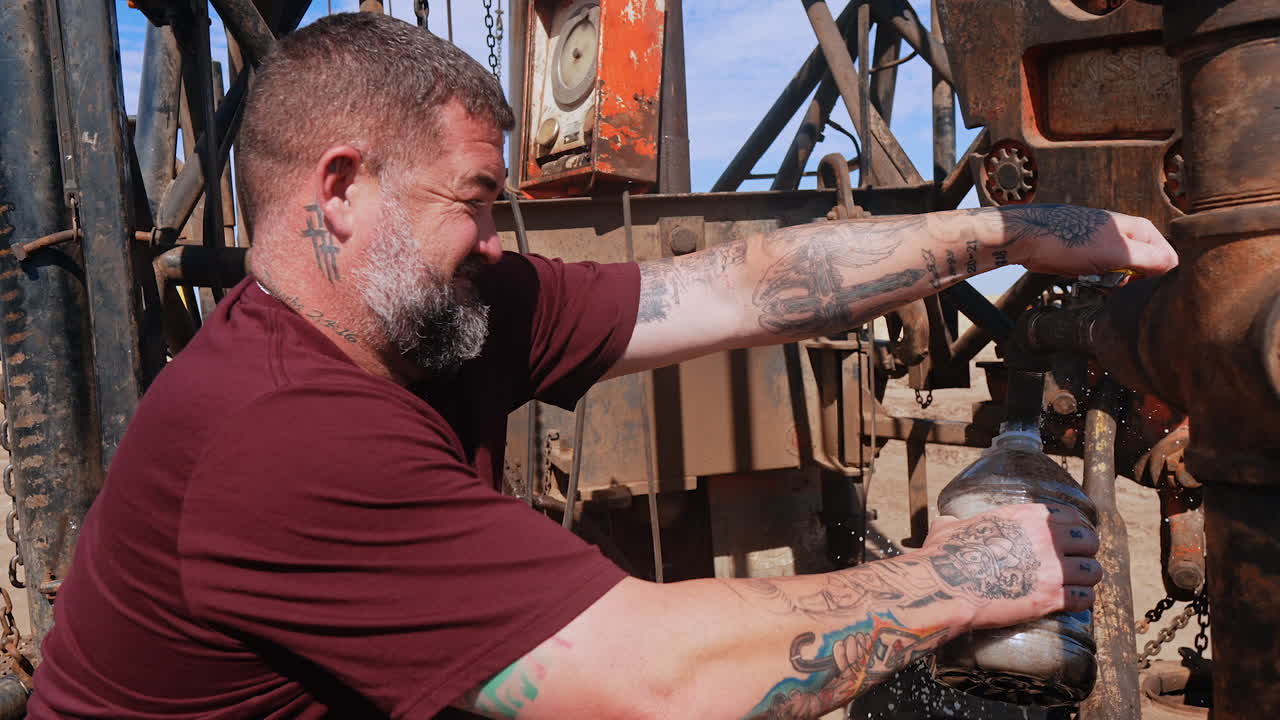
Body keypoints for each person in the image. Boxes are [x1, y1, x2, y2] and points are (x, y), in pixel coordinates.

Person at [27, 13, 1177, 720]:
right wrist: (957, 580)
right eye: (472, 202)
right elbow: (651, 686)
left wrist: (991, 236)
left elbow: (733, 287)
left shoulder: (437, 310)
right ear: (339, 190)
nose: (493, 240)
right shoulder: (276, 433)